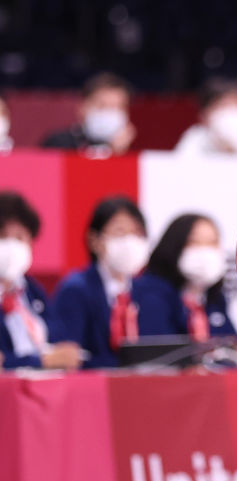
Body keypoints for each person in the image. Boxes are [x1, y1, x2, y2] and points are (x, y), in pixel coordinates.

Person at [54, 196, 150, 368]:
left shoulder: (149, 291)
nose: (129, 241)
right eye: (120, 232)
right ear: (94, 240)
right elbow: (70, 355)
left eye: (136, 233)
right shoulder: (76, 290)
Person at [0, 192, 84, 371]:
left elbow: (59, 338)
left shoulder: (32, 290)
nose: (10, 245)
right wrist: (42, 361)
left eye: (19, 237)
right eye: (2, 236)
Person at [135, 214, 237, 341]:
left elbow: (234, 346)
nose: (204, 252)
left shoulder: (215, 298)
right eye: (194, 242)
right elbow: (159, 351)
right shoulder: (153, 293)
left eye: (212, 243)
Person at [41, 73, 135, 156]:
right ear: (83, 107)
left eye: (118, 107)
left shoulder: (134, 150)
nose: (111, 113)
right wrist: (110, 152)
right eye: (103, 106)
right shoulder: (60, 142)